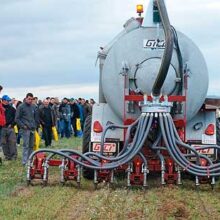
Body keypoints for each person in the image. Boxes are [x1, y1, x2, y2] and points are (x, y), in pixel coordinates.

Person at [15, 93, 39, 165]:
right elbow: (17, 119)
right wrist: (23, 126)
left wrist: (36, 125)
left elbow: (35, 117)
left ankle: (30, 160)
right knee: (26, 145)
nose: (30, 100)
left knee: (31, 145)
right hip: (25, 129)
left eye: (31, 99)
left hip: (32, 128)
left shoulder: (33, 106)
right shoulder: (21, 106)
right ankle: (24, 162)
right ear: (25, 98)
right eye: (29, 99)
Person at [0, 95, 17, 160]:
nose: (8, 102)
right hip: (2, 128)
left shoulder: (12, 108)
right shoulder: (0, 108)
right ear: (3, 100)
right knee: (4, 143)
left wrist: (12, 124)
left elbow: (16, 118)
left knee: (12, 142)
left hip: (10, 127)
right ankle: (7, 156)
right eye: (7, 100)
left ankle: (14, 156)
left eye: (9, 100)